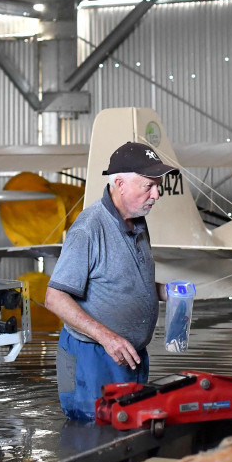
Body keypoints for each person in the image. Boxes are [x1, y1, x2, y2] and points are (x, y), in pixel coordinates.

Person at [45, 141, 178, 421]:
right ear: (120, 183)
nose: (157, 194)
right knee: (91, 434)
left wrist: (165, 292)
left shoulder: (138, 222)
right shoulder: (88, 229)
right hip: (92, 359)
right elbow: (54, 297)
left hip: (128, 355)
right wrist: (109, 339)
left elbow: (122, 283)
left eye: (158, 186)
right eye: (148, 186)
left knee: (127, 429)